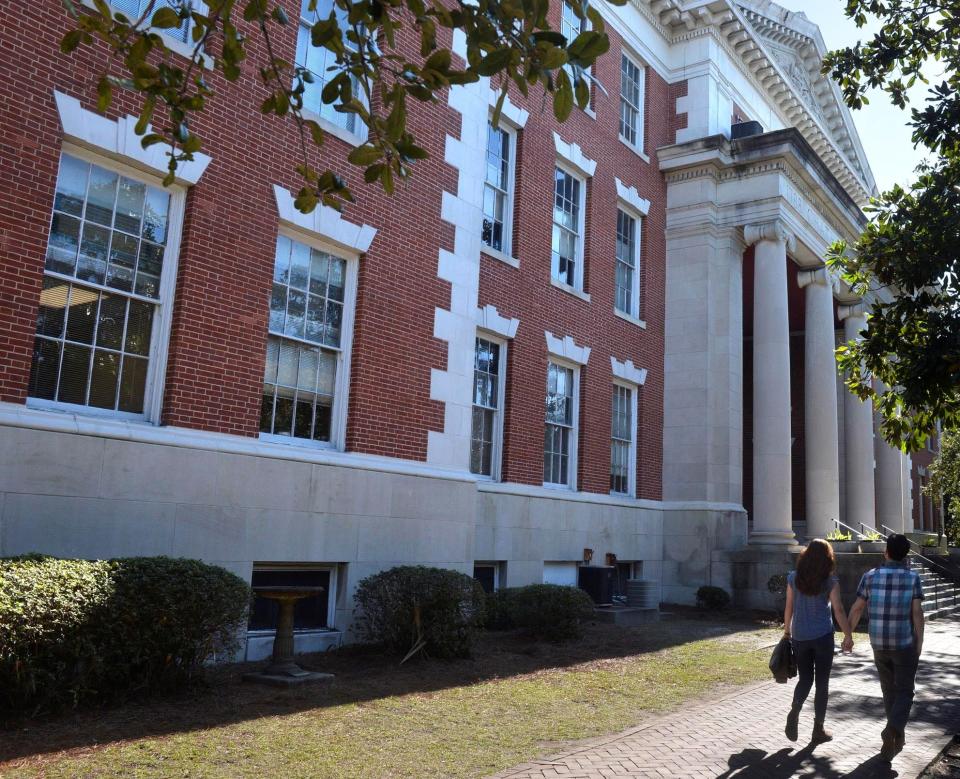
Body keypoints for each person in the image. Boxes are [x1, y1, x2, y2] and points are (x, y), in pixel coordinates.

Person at [847, 533, 924, 762]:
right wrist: (919, 642)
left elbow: (857, 608)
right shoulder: (912, 578)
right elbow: (917, 613)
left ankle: (895, 738)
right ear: (905, 555)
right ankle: (893, 730)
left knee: (889, 691)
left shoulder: (870, 576)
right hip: (904, 643)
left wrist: (848, 636)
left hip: (878, 643)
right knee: (905, 691)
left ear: (886, 552)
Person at [782, 538, 854, 744]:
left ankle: (795, 709)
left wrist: (787, 632)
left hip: (799, 636)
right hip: (823, 636)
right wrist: (847, 634)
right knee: (822, 683)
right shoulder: (830, 581)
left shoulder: (793, 578)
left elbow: (789, 608)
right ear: (827, 558)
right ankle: (818, 730)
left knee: (805, 679)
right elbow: (838, 610)